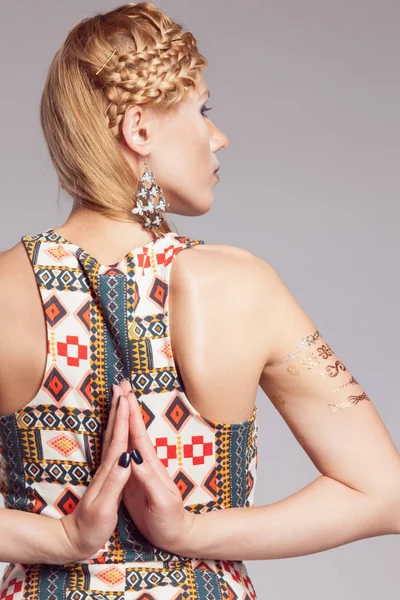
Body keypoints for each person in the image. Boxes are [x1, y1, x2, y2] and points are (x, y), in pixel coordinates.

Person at [0, 2, 399, 598]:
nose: (218, 137)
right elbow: (383, 494)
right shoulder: (241, 285)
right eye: (202, 110)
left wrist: (63, 542)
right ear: (140, 129)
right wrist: (189, 533)